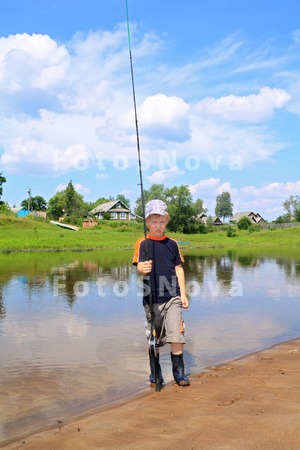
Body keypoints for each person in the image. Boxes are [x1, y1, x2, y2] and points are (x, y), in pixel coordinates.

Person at [132, 199, 190, 387]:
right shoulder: (142, 243)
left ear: (167, 221)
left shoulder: (172, 244)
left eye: (162, 222)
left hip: (173, 296)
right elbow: (139, 266)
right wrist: (143, 267)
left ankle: (179, 373)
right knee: (153, 337)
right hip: (152, 298)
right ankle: (155, 372)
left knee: (176, 333)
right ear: (147, 223)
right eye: (154, 222)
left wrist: (183, 294)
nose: (158, 226)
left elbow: (179, 268)